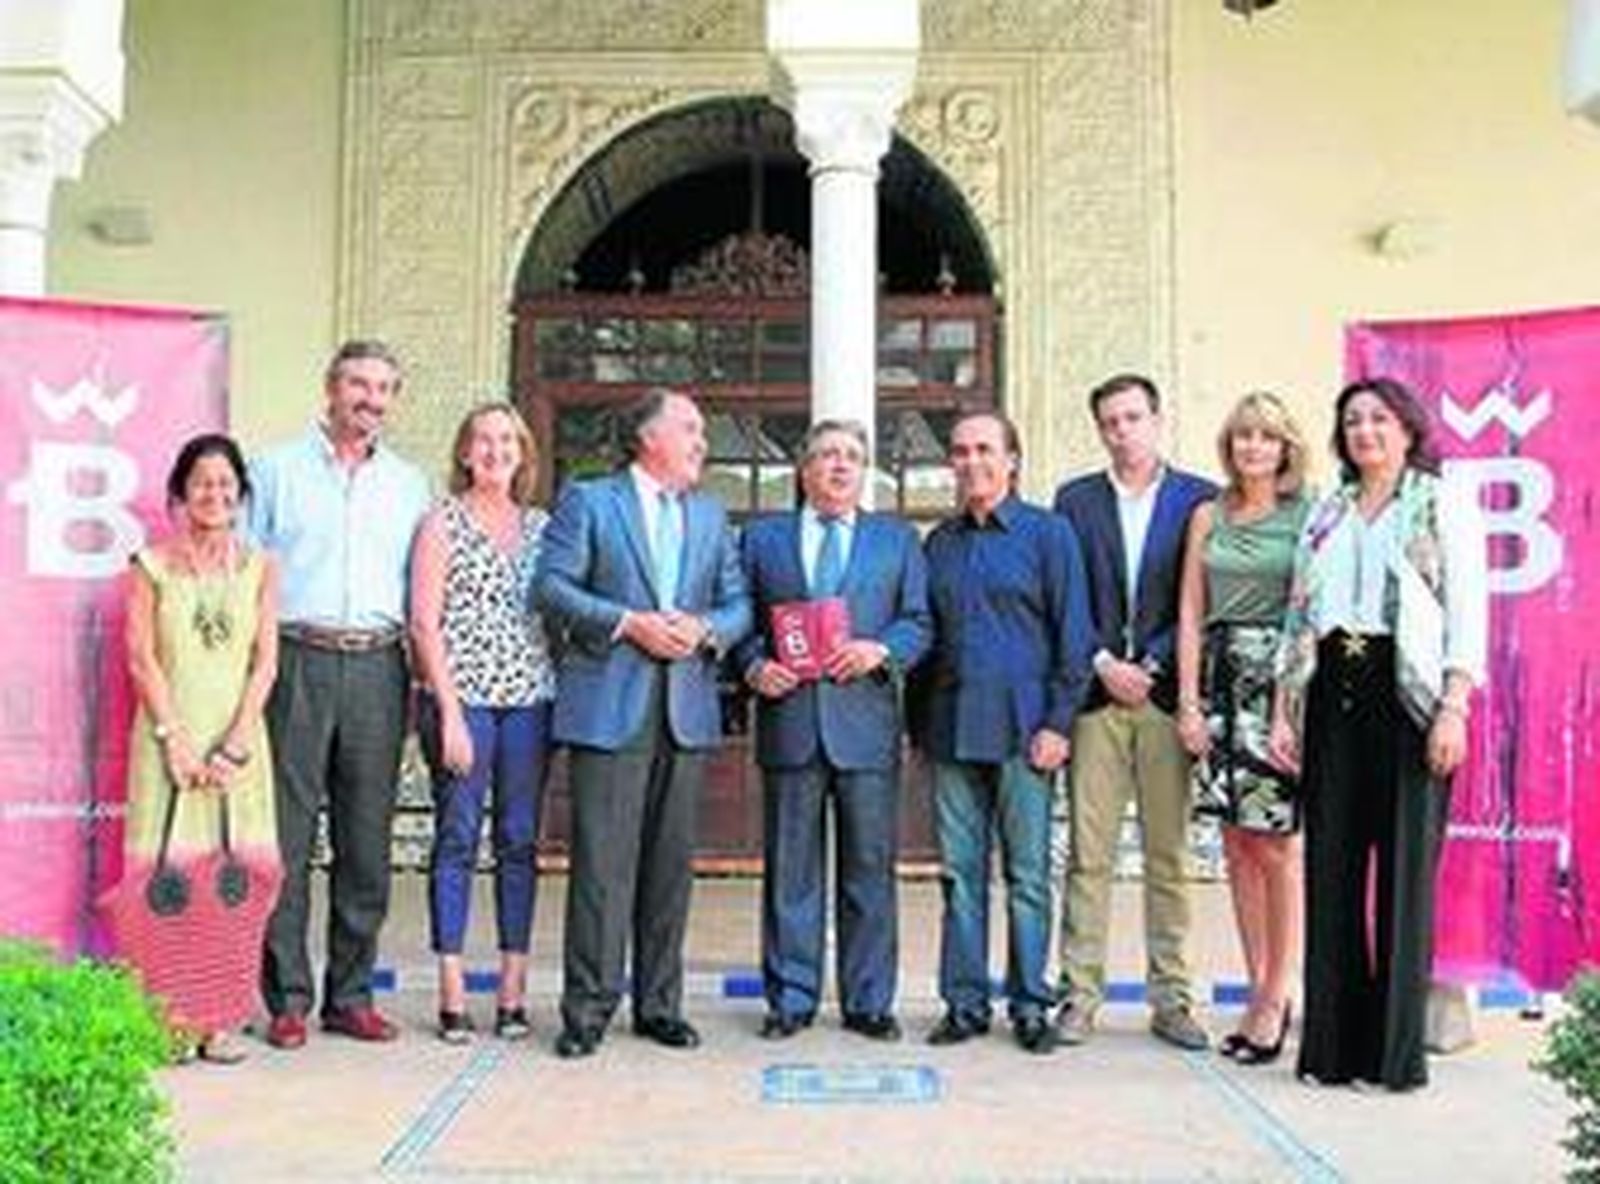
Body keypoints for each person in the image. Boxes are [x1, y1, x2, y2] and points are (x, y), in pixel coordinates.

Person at [1269, 376, 1487, 1092]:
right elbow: (1300, 615)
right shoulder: (1327, 510)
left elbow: (1467, 610)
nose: (1365, 431)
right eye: (1353, 420)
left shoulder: (1440, 501)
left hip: (1409, 697)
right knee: (1330, 871)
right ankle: (1332, 1048)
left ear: (1407, 428)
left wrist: (1454, 704)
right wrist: (1285, 709)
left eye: (1379, 419)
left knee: (1401, 879)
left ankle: (1393, 1058)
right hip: (1334, 690)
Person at [534, 387, 752, 1059]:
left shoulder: (711, 516)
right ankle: (588, 1011)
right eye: (689, 428)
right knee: (603, 867)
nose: (701, 441)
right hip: (609, 710)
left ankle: (660, 1005)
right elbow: (551, 586)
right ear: (648, 437)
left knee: (669, 869)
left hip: (685, 712)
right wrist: (630, 624)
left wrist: (707, 629)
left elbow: (739, 601)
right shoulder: (590, 501)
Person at [249, 340, 431, 1049]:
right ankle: (288, 998)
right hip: (296, 657)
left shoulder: (410, 485)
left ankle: (350, 996)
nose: (371, 399)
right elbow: (248, 574)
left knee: (365, 839)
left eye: (384, 388)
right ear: (330, 388)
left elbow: (420, 594)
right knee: (287, 838)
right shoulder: (275, 470)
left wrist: (421, 683)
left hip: (379, 667)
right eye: (359, 384)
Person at [736, 419, 931, 1042]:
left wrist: (882, 650)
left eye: (851, 456)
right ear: (804, 469)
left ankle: (868, 1000)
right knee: (790, 870)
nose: (840, 466)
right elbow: (739, 618)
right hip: (790, 721)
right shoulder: (763, 539)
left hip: (866, 724)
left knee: (869, 869)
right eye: (826, 456)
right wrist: (751, 663)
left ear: (864, 470)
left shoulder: (895, 540)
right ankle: (791, 999)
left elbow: (920, 622)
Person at [913, 411, 1092, 1055]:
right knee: (960, 875)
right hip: (952, 729)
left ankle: (1028, 1005)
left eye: (985, 449)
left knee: (1026, 876)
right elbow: (925, 640)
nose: (971, 461)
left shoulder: (1050, 535)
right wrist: (916, 729)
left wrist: (1058, 724)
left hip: (1026, 734)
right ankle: (964, 1004)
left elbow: (1076, 637)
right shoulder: (939, 543)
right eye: (960, 451)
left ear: (1012, 459)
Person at [1054, 373, 1218, 1050]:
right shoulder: (1075, 500)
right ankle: (1079, 997)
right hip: (1095, 699)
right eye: (1110, 422)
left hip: (1163, 698)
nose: (1122, 431)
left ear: (1157, 420)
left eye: (1132, 418)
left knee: (1168, 855)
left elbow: (1198, 601)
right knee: (1088, 857)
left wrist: (1147, 666)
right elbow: (1063, 596)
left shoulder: (1199, 499)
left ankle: (1172, 999)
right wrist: (1101, 663)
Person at [118, 434, 280, 1064]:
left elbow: (265, 662)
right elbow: (141, 658)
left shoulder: (261, 566)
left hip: (240, 746)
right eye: (201, 483)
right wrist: (176, 742)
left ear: (240, 494)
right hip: (167, 749)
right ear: (180, 495)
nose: (214, 494)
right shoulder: (150, 565)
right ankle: (169, 1020)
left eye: (225, 483)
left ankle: (219, 1019)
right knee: (167, 881)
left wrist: (235, 743)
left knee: (234, 883)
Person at [409, 402, 557, 1044]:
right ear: (465, 453)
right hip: (463, 699)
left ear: (523, 454)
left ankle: (512, 991)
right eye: (484, 441)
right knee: (459, 837)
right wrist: (448, 713)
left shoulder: (544, 528)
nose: (496, 451)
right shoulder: (441, 523)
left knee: (520, 841)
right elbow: (422, 622)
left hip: (530, 700)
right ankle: (451, 993)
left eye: (508, 441)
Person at [1175, 392, 1311, 1064]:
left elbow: (1303, 617)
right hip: (1220, 684)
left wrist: (1287, 709)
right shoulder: (1209, 514)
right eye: (1242, 437)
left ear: (1286, 447)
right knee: (1234, 844)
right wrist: (1190, 705)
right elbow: (1191, 611)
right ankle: (1257, 984)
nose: (1253, 447)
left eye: (1266, 436)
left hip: (1278, 687)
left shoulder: (1308, 516)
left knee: (1276, 846)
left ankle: (1279, 994)